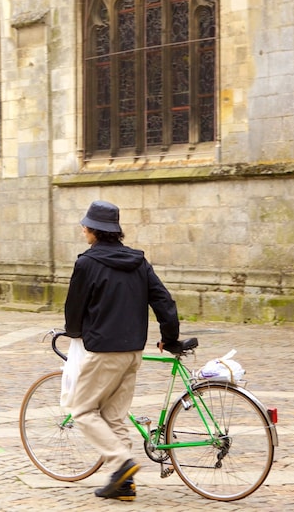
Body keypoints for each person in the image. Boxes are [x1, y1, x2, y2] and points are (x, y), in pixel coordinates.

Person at [63, 200, 180, 502]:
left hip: (103, 351)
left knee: (83, 410)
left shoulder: (86, 263)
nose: (83, 229)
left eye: (85, 225)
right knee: (114, 416)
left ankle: (121, 462)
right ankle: (124, 486)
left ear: (94, 231)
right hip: (132, 352)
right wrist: (170, 337)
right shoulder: (139, 262)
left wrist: (74, 333)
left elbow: (73, 309)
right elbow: (164, 302)